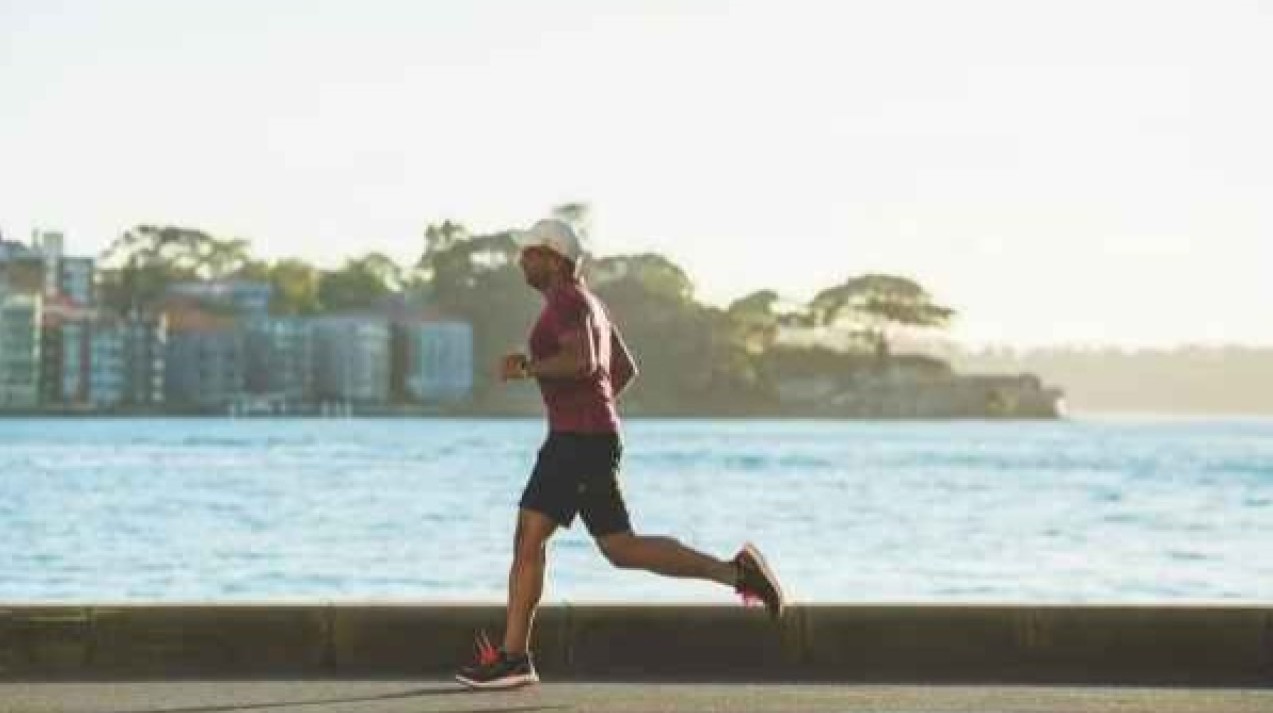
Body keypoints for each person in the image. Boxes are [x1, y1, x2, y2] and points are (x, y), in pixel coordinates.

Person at [455, 218, 786, 690]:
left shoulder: (567, 300)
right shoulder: (589, 303)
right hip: (586, 438)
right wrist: (594, 409)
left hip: (576, 442)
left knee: (531, 539)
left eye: (529, 252)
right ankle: (737, 573)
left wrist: (530, 367)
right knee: (619, 547)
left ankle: (514, 657)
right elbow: (622, 370)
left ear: (553, 258)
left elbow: (586, 363)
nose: (520, 260)